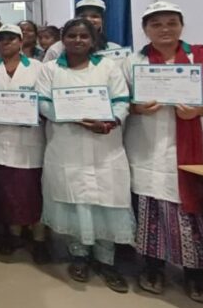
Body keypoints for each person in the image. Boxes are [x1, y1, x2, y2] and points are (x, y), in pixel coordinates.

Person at [123, 1, 203, 303]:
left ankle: (195, 274)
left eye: (171, 23)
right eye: (156, 24)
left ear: (181, 26)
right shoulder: (133, 61)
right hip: (149, 149)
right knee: (151, 210)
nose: (164, 29)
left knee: (196, 214)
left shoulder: (202, 57)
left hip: (195, 149)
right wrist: (136, 108)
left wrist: (202, 110)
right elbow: (120, 101)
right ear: (145, 29)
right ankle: (153, 268)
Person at [35, 18, 134, 293]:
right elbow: (42, 102)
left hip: (105, 146)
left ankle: (107, 260)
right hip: (67, 143)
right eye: (72, 36)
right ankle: (78, 255)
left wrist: (111, 120)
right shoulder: (50, 69)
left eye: (83, 36)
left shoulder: (108, 67)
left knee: (107, 201)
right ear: (63, 39)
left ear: (92, 40)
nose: (77, 40)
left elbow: (121, 100)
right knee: (74, 199)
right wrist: (76, 118)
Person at [0, 25, 48, 262]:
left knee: (33, 192)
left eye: (10, 38)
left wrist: (36, 111)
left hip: (30, 141)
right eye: (1, 39)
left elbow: (46, 100)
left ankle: (39, 239)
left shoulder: (38, 68)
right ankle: (13, 235)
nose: (5, 43)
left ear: (20, 40)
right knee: (6, 192)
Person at [43, 0, 121, 62]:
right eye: (83, 16)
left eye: (94, 16)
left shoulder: (115, 49)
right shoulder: (57, 49)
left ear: (102, 21)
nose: (89, 20)